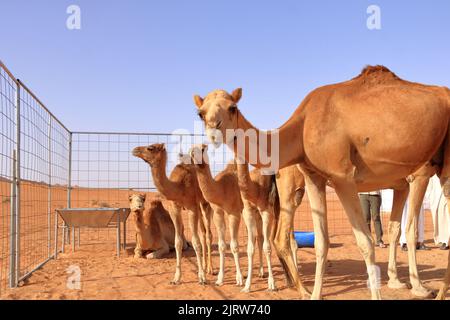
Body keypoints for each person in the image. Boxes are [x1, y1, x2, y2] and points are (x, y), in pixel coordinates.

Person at [428, 175, 450, 250]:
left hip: (446, 177)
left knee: (444, 210)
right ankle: (441, 238)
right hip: (435, 180)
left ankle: (445, 240)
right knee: (436, 210)